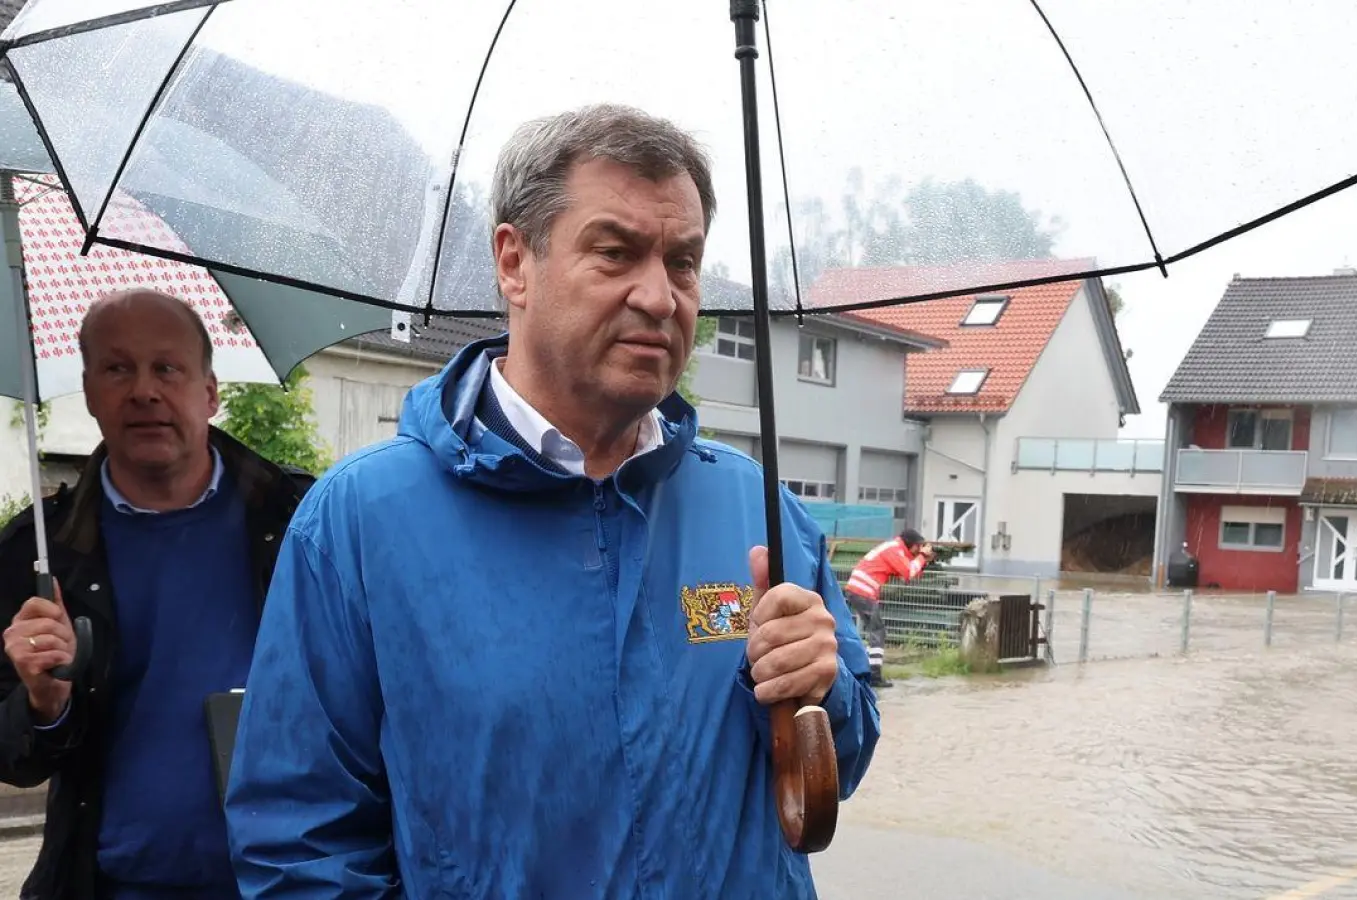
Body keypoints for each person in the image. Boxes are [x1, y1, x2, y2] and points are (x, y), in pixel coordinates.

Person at [224, 104, 880, 899]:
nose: (659, 296)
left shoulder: (757, 510)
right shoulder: (358, 524)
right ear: (514, 262)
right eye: (615, 253)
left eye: (683, 261)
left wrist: (820, 694)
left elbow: (839, 769)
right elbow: (299, 846)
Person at [0, 290, 312, 900]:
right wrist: (43, 701)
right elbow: (16, 759)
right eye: (118, 369)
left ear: (209, 391)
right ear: (89, 392)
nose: (144, 390)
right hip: (113, 884)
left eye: (167, 368)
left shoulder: (301, 519)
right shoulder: (38, 554)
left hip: (289, 880)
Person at [845, 528, 935, 687]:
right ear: (911, 544)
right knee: (878, 630)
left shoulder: (894, 548)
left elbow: (908, 574)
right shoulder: (895, 550)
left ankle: (866, 670)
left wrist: (924, 561)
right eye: (918, 546)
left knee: (874, 630)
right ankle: (874, 675)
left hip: (860, 590)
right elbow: (908, 572)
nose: (918, 550)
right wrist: (922, 557)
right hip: (863, 590)